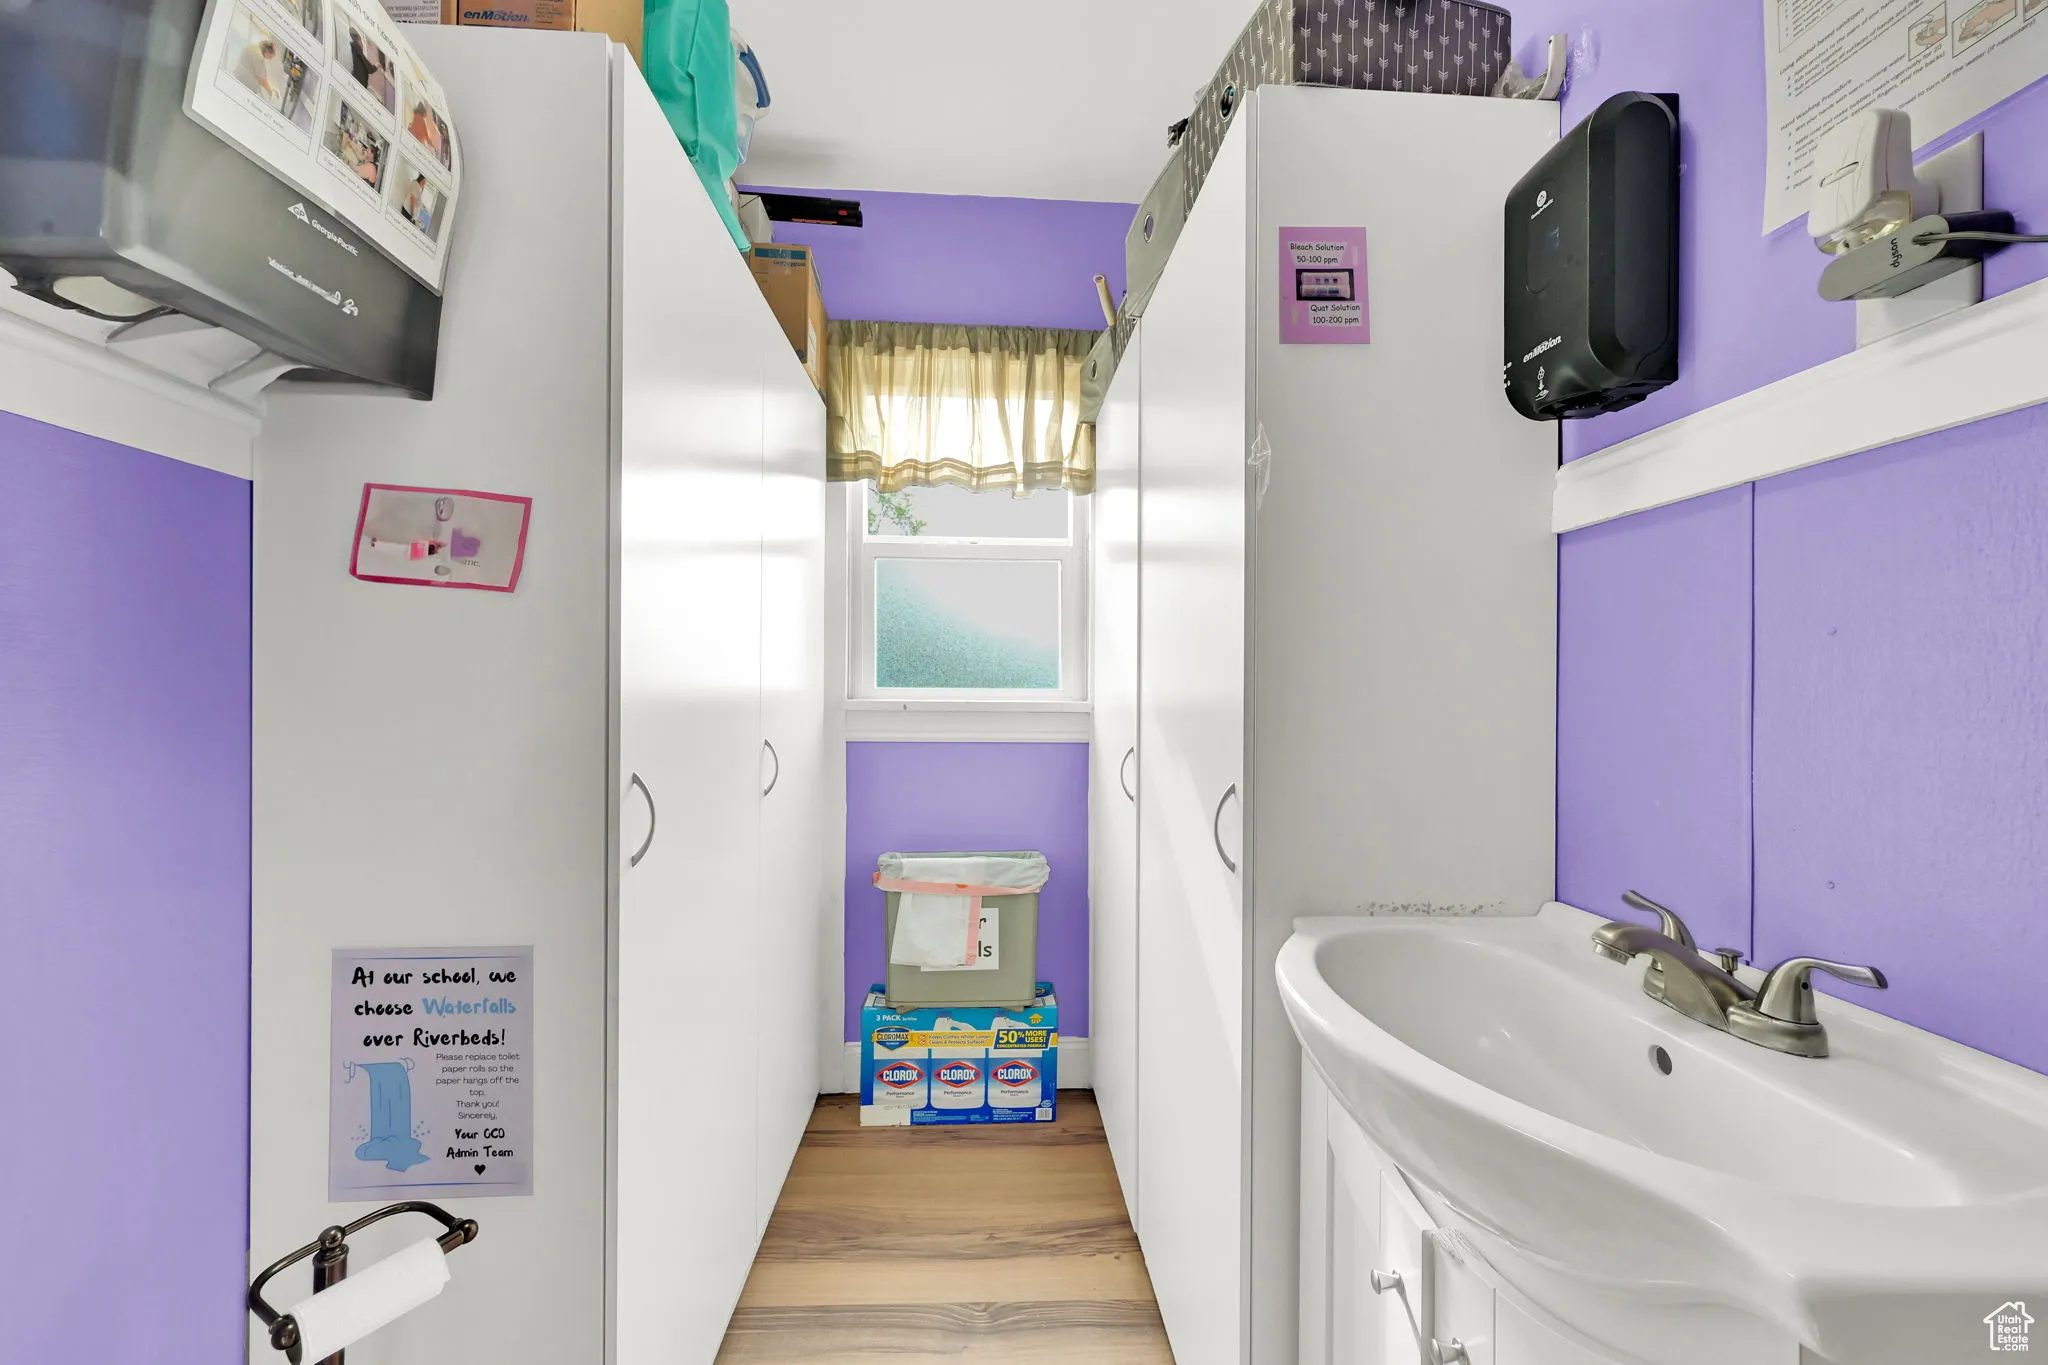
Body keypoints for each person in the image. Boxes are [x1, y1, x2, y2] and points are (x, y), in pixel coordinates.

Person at [236, 34, 286, 106]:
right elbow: (262, 81)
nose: (269, 59)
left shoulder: (253, 47)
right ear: (268, 52)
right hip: (244, 83)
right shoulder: (259, 58)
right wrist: (271, 94)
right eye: (271, 56)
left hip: (239, 76)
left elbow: (259, 76)